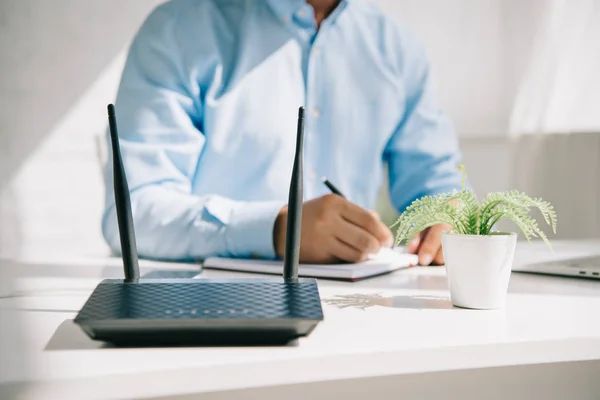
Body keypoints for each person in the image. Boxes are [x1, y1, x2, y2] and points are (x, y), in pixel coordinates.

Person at [102, 0, 463, 266]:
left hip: (362, 308)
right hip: (209, 310)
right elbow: (131, 214)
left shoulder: (399, 48)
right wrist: (275, 229)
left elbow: (437, 185)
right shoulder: (178, 30)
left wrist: (443, 220)